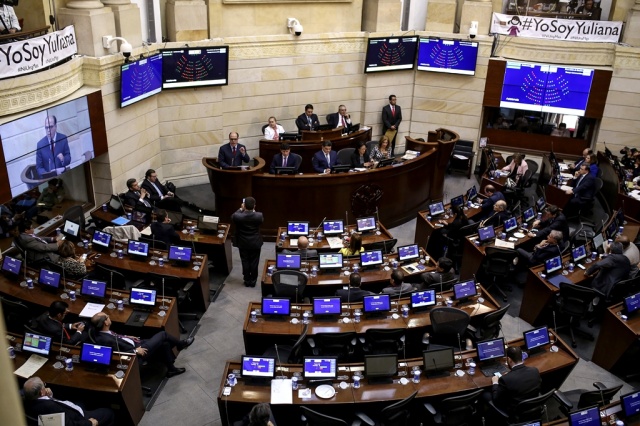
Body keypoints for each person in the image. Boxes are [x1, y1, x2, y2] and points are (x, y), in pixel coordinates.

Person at [91, 312, 193, 378]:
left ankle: (171, 370)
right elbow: (116, 354)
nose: (109, 316)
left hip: (136, 343)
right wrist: (135, 351)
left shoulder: (102, 332)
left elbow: (116, 337)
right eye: (107, 317)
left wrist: (126, 337)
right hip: (137, 352)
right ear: (105, 323)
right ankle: (180, 344)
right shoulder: (104, 340)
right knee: (163, 334)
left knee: (164, 343)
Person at [23, 376, 115, 426]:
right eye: (44, 385)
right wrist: (89, 423)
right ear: (41, 392)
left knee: (81, 399)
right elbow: (69, 425)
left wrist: (49, 396)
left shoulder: (25, 401)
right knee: (109, 413)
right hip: (79, 418)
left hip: (68, 409)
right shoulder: (51, 407)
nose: (45, 386)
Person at [488, 346, 541, 414]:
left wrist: (495, 383)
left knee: (486, 395)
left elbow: (496, 399)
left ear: (509, 359)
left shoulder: (505, 379)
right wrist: (510, 374)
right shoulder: (534, 371)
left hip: (516, 412)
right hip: (534, 406)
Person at [232, 197, 263, 287]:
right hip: (255, 242)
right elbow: (260, 220)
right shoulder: (259, 216)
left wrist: (241, 209)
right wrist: (252, 210)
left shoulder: (238, 216)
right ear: (254, 206)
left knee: (245, 261)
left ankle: (246, 280)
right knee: (254, 262)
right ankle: (253, 281)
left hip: (243, 243)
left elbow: (233, 216)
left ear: (244, 205)